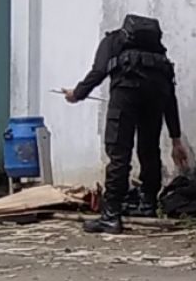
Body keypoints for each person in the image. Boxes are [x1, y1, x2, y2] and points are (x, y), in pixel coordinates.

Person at [61, 14, 188, 234]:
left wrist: (77, 94)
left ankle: (110, 216)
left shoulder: (112, 40)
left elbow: (98, 72)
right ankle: (148, 205)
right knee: (149, 150)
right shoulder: (159, 53)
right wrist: (176, 139)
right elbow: (170, 96)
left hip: (125, 95)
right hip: (156, 96)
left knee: (119, 153)